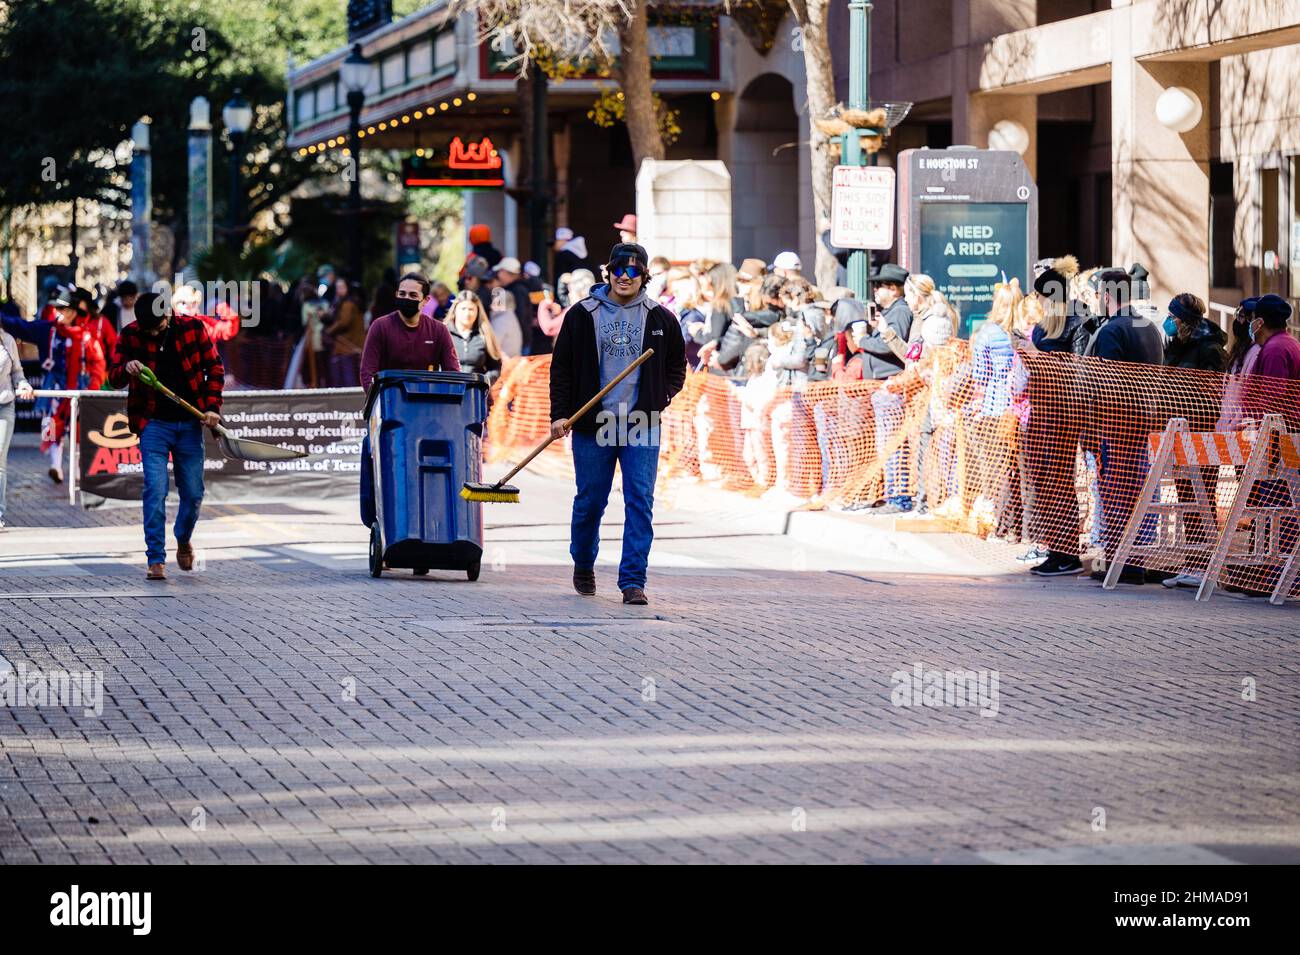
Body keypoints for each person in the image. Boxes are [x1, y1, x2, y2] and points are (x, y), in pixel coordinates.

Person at [549, 242, 685, 605]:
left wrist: (662, 396)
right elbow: (561, 368)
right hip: (594, 423)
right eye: (619, 270)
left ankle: (633, 581)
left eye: (633, 271)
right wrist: (560, 414)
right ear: (607, 272)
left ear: (644, 276)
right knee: (591, 500)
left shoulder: (660, 317)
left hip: (641, 422)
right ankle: (583, 561)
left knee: (640, 500)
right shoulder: (582, 314)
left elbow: (677, 366)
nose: (625, 277)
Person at [107, 292, 225, 580]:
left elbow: (215, 368)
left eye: (156, 327)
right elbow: (113, 377)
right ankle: (155, 559)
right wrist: (126, 369)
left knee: (194, 493)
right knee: (155, 489)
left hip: (189, 422)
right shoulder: (131, 335)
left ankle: (183, 538)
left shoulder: (193, 329)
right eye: (146, 328)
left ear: (168, 316)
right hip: (152, 424)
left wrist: (212, 408)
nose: (151, 333)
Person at [358, 273, 461, 535]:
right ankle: (376, 521)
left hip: (427, 418)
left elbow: (453, 373)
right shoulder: (381, 327)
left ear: (425, 300)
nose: (405, 299)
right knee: (375, 461)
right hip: (388, 414)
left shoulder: (438, 331)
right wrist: (377, 403)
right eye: (401, 294)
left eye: (412, 295)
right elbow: (367, 373)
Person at [864, 264, 915, 513]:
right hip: (884, 386)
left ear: (894, 289)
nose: (875, 291)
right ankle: (892, 494)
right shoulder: (892, 312)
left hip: (893, 386)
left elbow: (890, 347)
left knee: (894, 444)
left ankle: (899, 498)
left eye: (880, 286)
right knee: (887, 445)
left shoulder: (900, 312)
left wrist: (863, 340)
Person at [1, 325, 36, 530]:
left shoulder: (7, 341)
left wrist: (23, 384)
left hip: (4, 404)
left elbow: (17, 372)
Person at [1031, 255, 1092, 354]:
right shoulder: (1040, 327)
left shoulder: (1079, 324)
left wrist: (1036, 354)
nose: (1036, 299)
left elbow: (1079, 366)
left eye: (1038, 295)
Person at [445, 291, 503, 384]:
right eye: (463, 308)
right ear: (455, 310)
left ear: (477, 311)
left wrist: (483, 382)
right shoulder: (443, 333)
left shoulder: (485, 335)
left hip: (475, 393)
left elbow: (495, 367)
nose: (467, 313)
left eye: (471, 309)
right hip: (448, 390)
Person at [1163, 293, 1226, 372]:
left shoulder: (1211, 351)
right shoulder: (1178, 342)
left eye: (1173, 316)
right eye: (1169, 315)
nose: (1168, 319)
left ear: (1185, 322)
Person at [325, 278, 366, 386]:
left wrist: (329, 331)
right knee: (350, 376)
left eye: (342, 287)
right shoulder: (352, 302)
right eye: (337, 288)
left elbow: (343, 322)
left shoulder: (348, 304)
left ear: (348, 288)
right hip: (351, 345)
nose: (339, 291)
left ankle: (349, 402)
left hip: (347, 346)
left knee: (348, 378)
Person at [490, 286, 525, 357]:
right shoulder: (510, 316)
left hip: (506, 362)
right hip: (514, 359)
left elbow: (493, 345)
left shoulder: (502, 320)